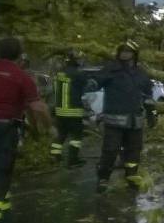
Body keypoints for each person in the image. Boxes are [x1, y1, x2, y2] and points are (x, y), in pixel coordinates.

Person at [0, 38, 51, 223]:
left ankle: (2, 212)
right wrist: (48, 128)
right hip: (3, 128)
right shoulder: (21, 77)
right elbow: (37, 108)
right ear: (19, 55)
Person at [95, 40, 155, 193]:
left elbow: (148, 95)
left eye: (128, 51)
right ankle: (103, 179)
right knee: (110, 150)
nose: (124, 53)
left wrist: (151, 114)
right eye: (122, 51)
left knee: (134, 151)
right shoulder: (111, 69)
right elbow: (96, 81)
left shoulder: (141, 74)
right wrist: (91, 83)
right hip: (114, 120)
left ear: (134, 54)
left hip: (135, 121)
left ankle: (132, 178)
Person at [51, 50, 89, 167]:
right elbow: (85, 88)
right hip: (73, 110)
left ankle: (54, 156)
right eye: (79, 59)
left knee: (61, 134)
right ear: (75, 60)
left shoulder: (60, 73)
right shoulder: (79, 74)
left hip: (59, 110)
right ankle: (72, 160)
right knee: (76, 136)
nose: (81, 61)